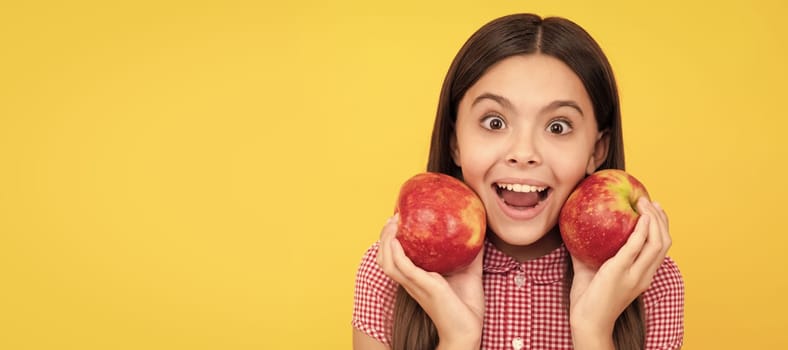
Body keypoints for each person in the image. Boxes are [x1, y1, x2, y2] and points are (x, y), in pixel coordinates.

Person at [352, 13, 684, 350]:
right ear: (455, 141)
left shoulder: (650, 282)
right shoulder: (393, 272)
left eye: (558, 127)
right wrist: (457, 339)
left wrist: (594, 333)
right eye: (494, 122)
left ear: (596, 151)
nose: (524, 153)